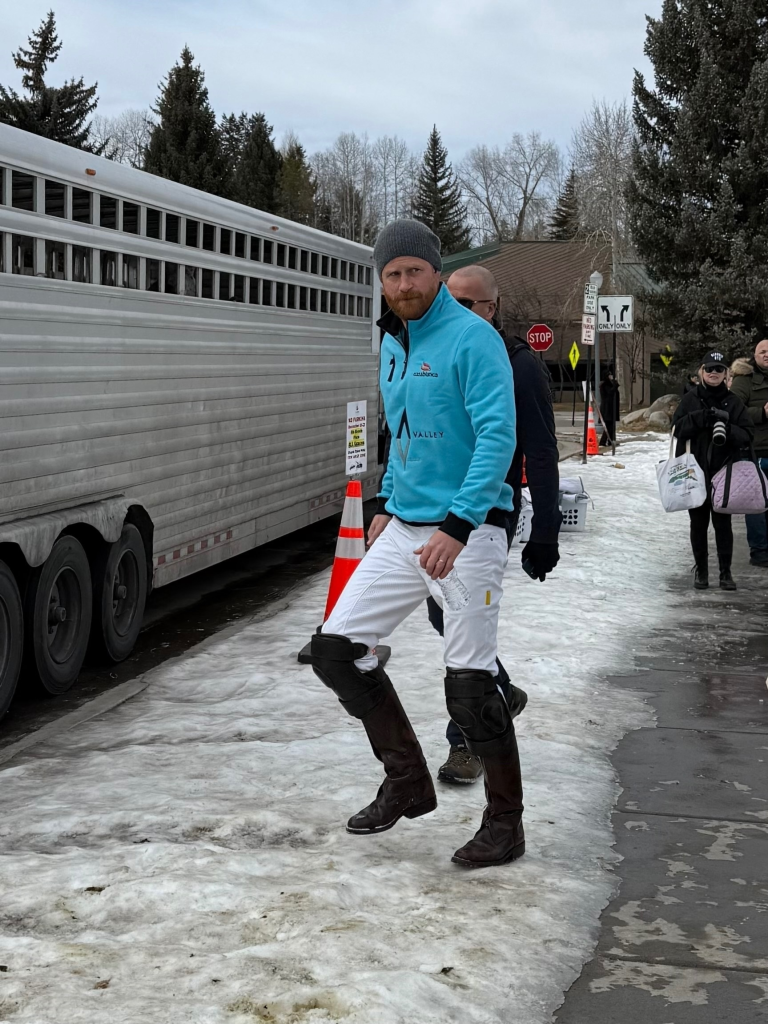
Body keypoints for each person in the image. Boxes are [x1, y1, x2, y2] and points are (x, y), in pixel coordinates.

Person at [310, 219, 524, 869]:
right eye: (392, 273)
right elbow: (401, 433)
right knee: (336, 651)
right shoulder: (394, 341)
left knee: (470, 685)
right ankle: (406, 781)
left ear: (435, 273)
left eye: (413, 271)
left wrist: (458, 525)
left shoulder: (472, 338)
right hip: (405, 523)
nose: (402, 284)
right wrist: (387, 501)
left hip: (471, 528)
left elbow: (496, 437)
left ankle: (505, 823)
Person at [420, 264, 561, 785]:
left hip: (484, 516)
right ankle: (502, 690)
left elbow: (542, 450)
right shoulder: (433, 349)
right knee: (443, 618)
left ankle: (469, 745)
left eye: (468, 303)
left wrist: (545, 529)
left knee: (461, 626)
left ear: (492, 310)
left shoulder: (518, 364)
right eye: (447, 300)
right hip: (432, 512)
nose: (454, 311)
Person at [671, 350, 752, 590]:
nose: (713, 373)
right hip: (694, 472)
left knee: (723, 525)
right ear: (701, 372)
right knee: (698, 524)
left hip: (725, 473)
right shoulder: (690, 399)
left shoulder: (734, 402)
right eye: (709, 369)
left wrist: (726, 426)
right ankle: (702, 572)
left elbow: (747, 435)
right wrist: (702, 418)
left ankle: (725, 573)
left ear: (726, 373)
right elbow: (677, 429)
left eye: (718, 369)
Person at [729, 340, 768, 567]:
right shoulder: (744, 379)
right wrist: (762, 413)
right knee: (757, 503)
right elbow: (734, 409)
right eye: (763, 352)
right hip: (755, 451)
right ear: (755, 355)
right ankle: (760, 551)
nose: (766, 355)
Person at [599, 367, 621, 447]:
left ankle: (610, 441)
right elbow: (610, 393)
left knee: (611, 426)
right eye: (609, 375)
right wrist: (615, 386)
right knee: (608, 426)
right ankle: (603, 441)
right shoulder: (604, 385)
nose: (611, 376)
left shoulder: (611, 384)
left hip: (612, 408)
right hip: (607, 408)